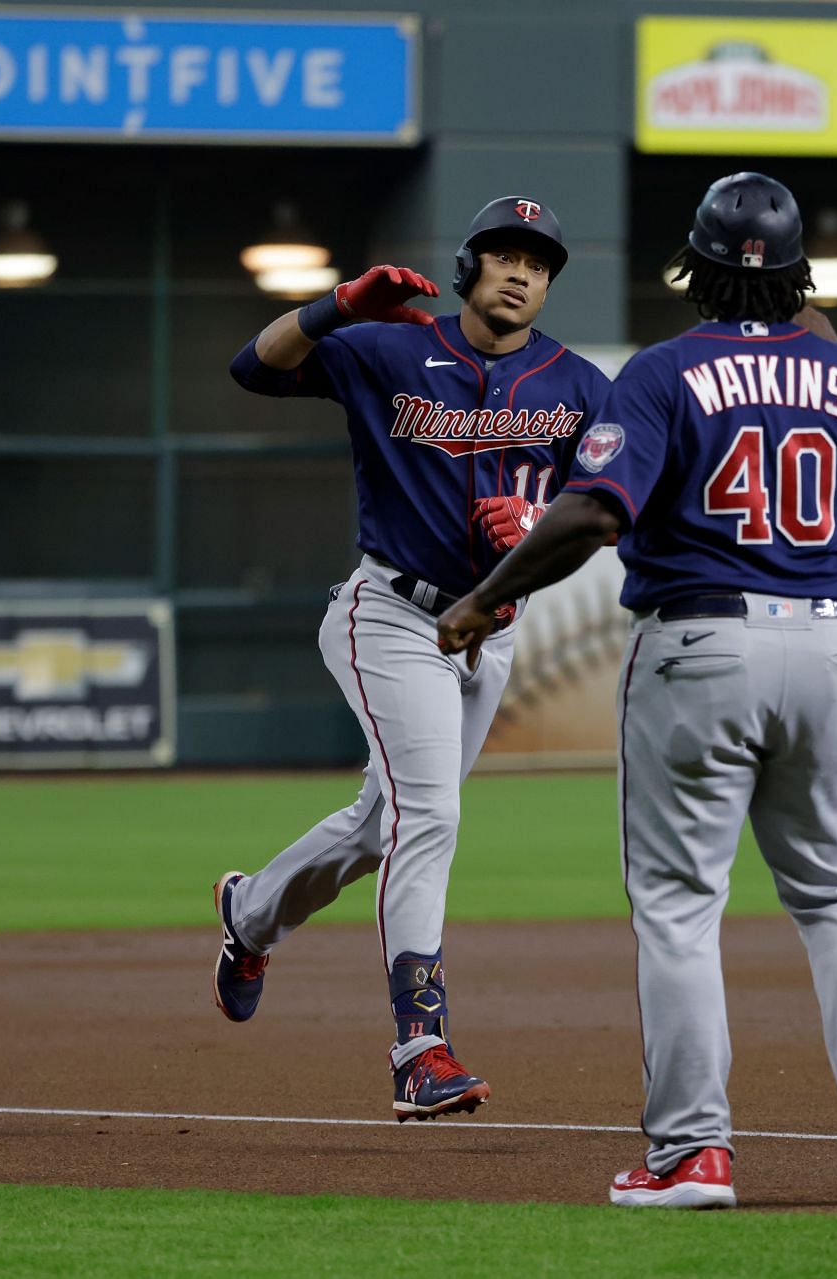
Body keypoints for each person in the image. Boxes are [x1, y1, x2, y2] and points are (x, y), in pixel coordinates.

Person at [435, 173, 837, 1205]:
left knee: (680, 908)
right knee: (835, 890)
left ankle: (692, 1152)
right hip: (831, 646)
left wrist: (480, 597)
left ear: (696, 269)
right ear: (800, 270)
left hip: (703, 642)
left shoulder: (666, 371)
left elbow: (593, 514)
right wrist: (829, 346)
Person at [216, 197, 611, 1122]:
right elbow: (252, 368)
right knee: (429, 812)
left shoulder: (581, 385)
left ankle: (249, 913)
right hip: (391, 614)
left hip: (492, 634)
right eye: (506, 255)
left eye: (540, 263)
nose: (522, 273)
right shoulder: (390, 349)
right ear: (471, 266)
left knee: (376, 825)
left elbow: (617, 502)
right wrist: (334, 306)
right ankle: (420, 1047)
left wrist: (551, 527)